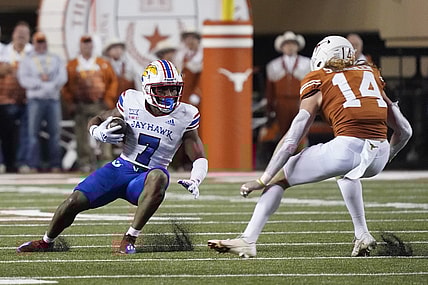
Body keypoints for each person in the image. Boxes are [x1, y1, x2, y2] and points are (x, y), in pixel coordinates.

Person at [208, 36, 412, 258]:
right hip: (379, 150)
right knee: (348, 175)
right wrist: (384, 156)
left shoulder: (318, 78)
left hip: (347, 148)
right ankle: (362, 234)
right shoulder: (370, 74)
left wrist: (263, 179)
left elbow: (293, 137)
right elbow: (405, 131)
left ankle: (247, 240)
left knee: (280, 178)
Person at [17, 59, 208, 254]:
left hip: (146, 179)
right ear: (148, 88)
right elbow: (99, 118)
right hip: (120, 168)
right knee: (74, 201)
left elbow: (198, 152)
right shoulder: (132, 100)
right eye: (163, 89)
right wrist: (97, 132)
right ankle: (46, 241)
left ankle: (130, 237)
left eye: (173, 89)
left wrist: (196, 178)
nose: (169, 95)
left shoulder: (187, 114)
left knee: (159, 176)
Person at [62, 34, 118, 172]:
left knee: (105, 129)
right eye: (84, 44)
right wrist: (71, 102)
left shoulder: (102, 63)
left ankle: (105, 159)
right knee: (81, 134)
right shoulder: (72, 65)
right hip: (80, 104)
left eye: (89, 44)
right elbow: (65, 86)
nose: (87, 46)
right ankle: (84, 161)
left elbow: (113, 82)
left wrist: (108, 100)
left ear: (92, 46)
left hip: (99, 103)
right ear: (80, 46)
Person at [257, 31, 311, 168]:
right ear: (282, 47)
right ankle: (281, 163)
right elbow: (270, 91)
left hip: (299, 102)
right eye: (287, 45)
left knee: (300, 132)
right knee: (283, 133)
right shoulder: (273, 66)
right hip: (281, 103)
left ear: (297, 46)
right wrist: (270, 109)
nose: (290, 47)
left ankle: (301, 163)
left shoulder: (307, 64)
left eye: (292, 44)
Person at [17, 32, 68, 173]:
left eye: (43, 41)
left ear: (46, 42)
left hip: (52, 99)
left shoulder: (55, 58)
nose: (41, 44)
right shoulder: (28, 59)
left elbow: (62, 77)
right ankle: (33, 164)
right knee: (32, 133)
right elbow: (23, 79)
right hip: (35, 99)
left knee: (55, 133)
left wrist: (48, 85)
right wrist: (42, 84)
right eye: (38, 42)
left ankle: (56, 164)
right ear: (34, 43)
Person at [0, 21, 33, 173]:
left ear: (28, 36)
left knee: (26, 134)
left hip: (28, 100)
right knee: (4, 134)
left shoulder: (33, 52)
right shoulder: (3, 50)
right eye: (18, 33)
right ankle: (3, 162)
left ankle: (22, 162)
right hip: (5, 99)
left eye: (24, 34)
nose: (20, 36)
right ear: (13, 34)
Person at [102, 38, 137, 106]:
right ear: (108, 51)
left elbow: (135, 85)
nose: (117, 50)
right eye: (114, 48)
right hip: (109, 104)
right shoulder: (104, 67)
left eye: (119, 47)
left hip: (127, 104)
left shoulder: (129, 66)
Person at [174, 28, 202, 106]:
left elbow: (204, 78)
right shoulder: (180, 56)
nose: (190, 41)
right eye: (187, 39)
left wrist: (197, 93)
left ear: (198, 40)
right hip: (183, 95)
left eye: (192, 38)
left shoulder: (203, 57)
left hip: (197, 97)